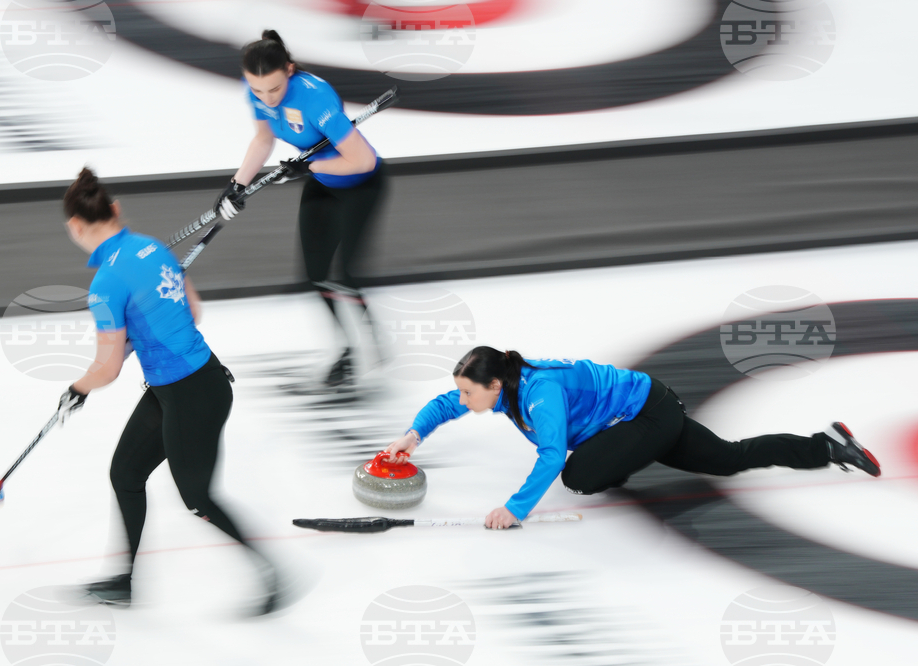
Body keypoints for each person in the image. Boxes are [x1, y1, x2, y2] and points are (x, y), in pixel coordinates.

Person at [60, 167, 281, 612]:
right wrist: (139, 336)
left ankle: (271, 573)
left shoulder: (105, 284)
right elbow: (192, 312)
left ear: (76, 227)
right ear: (115, 210)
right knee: (126, 475)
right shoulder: (152, 247)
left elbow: (106, 369)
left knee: (197, 499)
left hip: (190, 394)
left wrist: (77, 389)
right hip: (188, 385)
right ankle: (124, 583)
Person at [384, 346, 881, 529]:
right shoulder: (503, 386)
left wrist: (514, 509)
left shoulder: (539, 395)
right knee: (727, 458)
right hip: (642, 409)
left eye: (468, 392)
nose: (462, 398)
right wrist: (413, 435)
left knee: (579, 475)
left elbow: (552, 454)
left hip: (650, 413)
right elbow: (447, 404)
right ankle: (826, 444)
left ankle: (622, 457)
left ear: (494, 385)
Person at [213, 29, 387, 389]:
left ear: (289, 70)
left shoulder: (315, 98)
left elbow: (363, 160)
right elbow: (263, 138)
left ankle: (372, 335)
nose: (267, 98)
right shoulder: (258, 89)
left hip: (361, 186)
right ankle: (348, 351)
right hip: (323, 184)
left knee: (345, 274)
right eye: (257, 91)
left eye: (274, 89)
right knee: (315, 275)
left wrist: (308, 167)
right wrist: (236, 185)